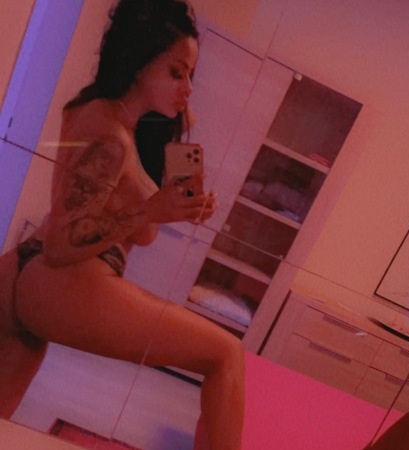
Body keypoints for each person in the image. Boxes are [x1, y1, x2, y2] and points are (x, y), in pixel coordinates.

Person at [0, 1, 246, 449]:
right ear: (139, 62)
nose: (188, 88)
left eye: (191, 75)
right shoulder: (111, 136)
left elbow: (132, 212)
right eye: (176, 73)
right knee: (226, 353)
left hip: (27, 273)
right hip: (65, 278)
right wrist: (150, 211)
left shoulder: (105, 116)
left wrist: (177, 140)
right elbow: (61, 245)